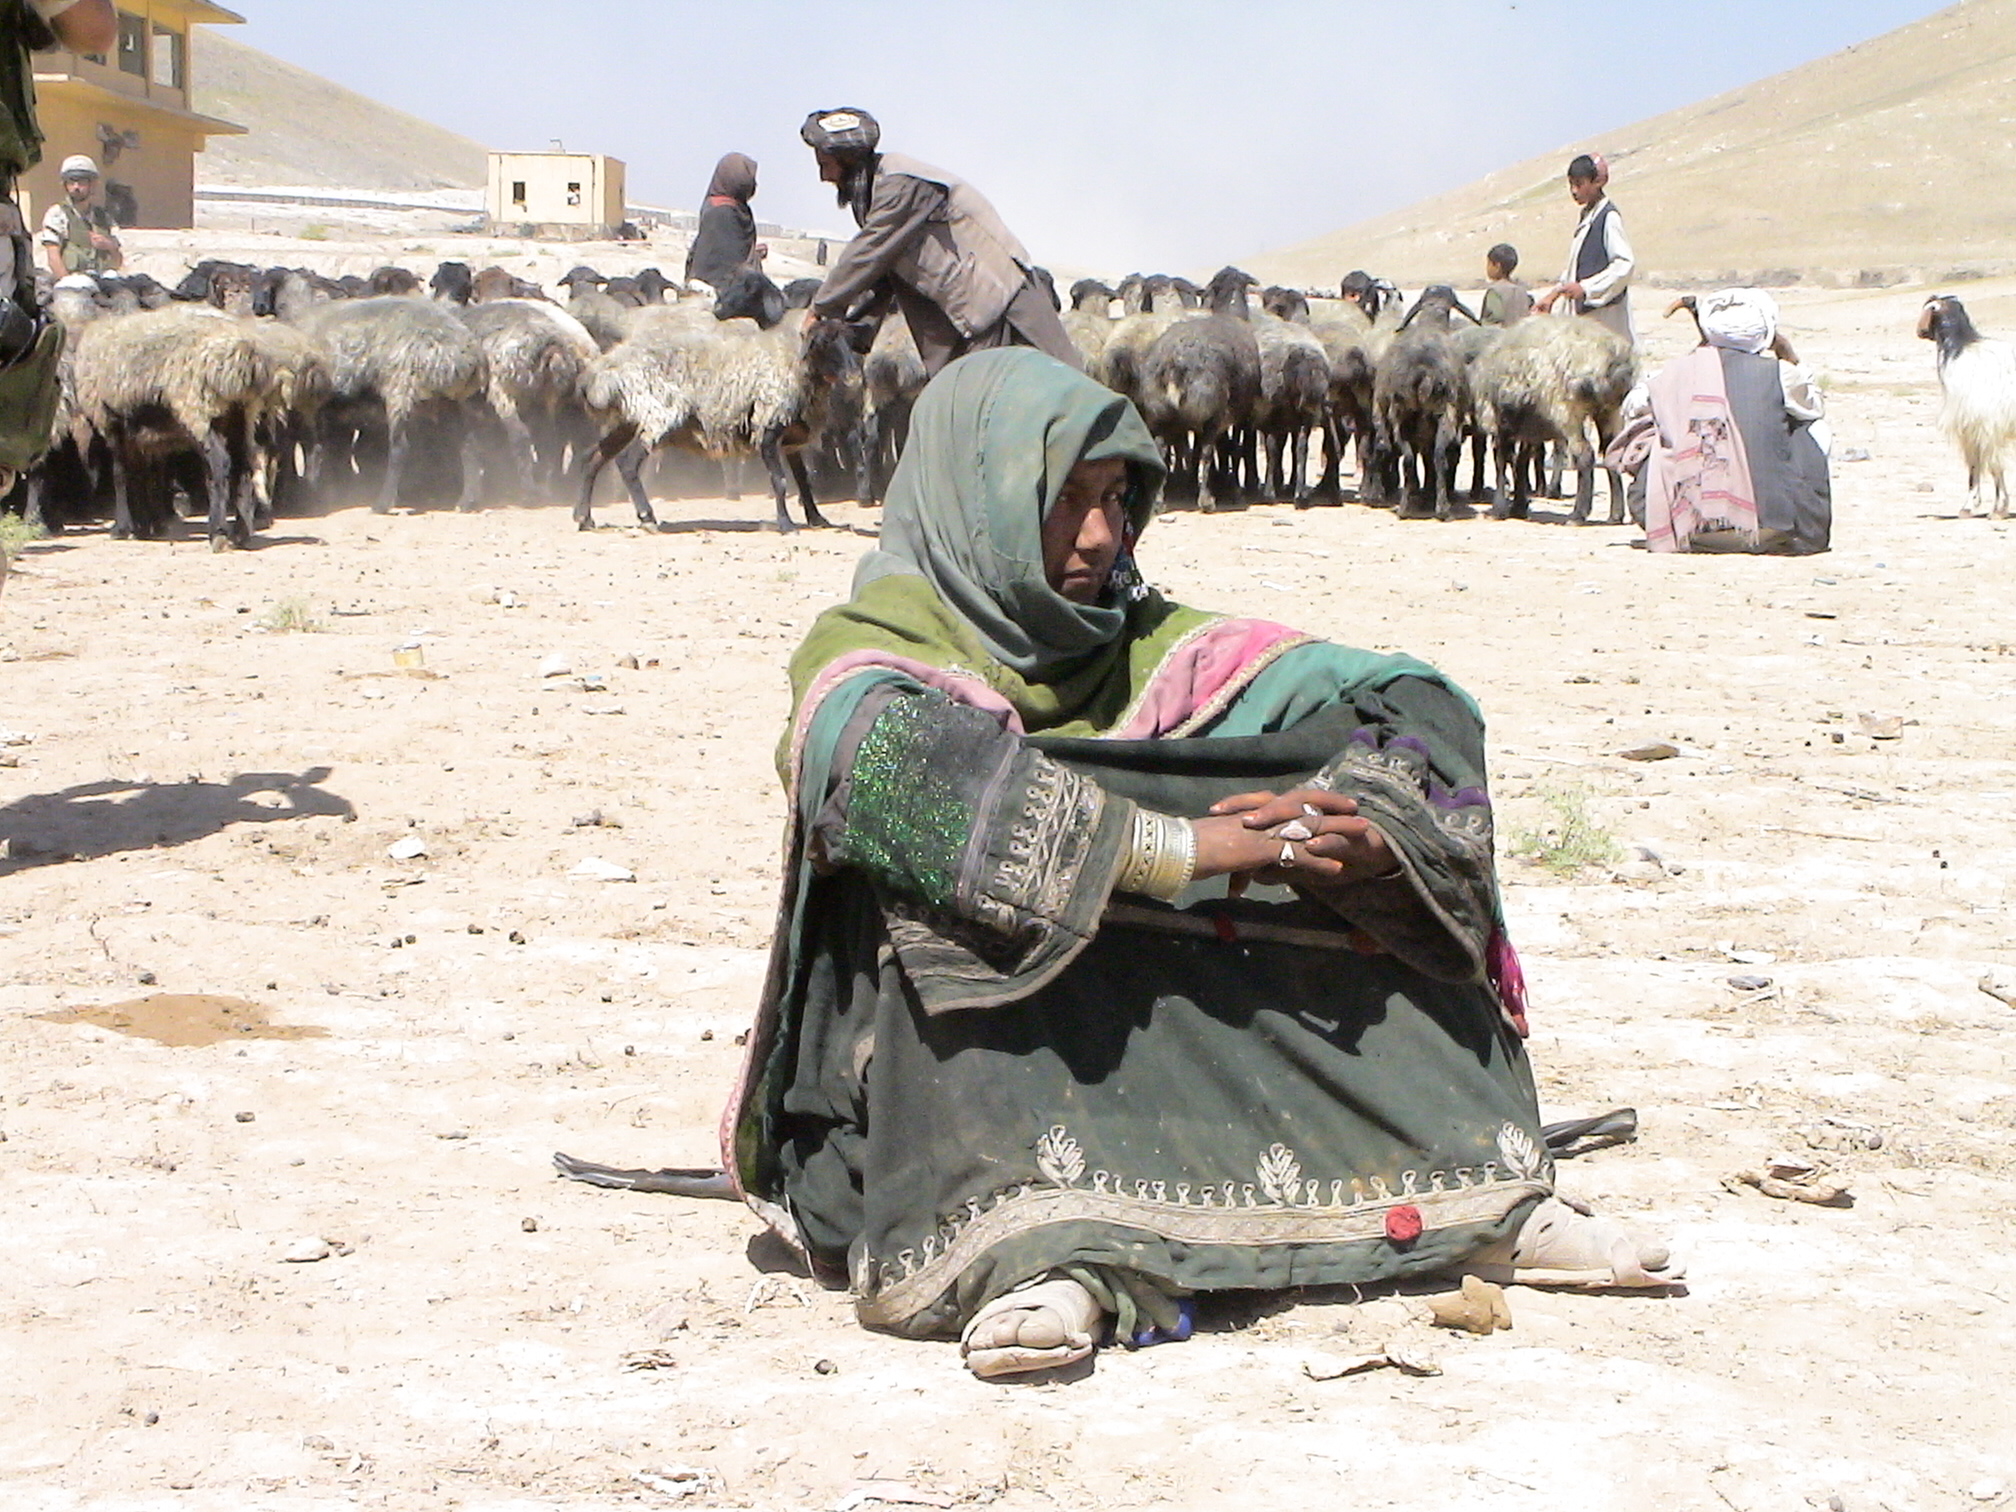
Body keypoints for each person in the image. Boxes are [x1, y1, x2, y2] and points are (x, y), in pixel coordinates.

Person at [722, 347, 1680, 1382]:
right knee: (958, 884)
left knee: (1377, 857)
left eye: (1117, 499)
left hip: (1150, 1004)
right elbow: (876, 767)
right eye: (1065, 501)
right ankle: (1045, 1250)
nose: (1101, 535)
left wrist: (1368, 822)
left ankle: (1479, 1202)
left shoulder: (1157, 651)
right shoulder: (869, 657)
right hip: (986, 1042)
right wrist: (1175, 846)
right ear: (978, 505)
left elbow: (1412, 698)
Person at [799, 107, 1079, 376]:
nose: (824, 176)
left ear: (849, 161)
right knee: (967, 402)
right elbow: (878, 275)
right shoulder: (872, 195)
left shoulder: (900, 186)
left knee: (1068, 391)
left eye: (826, 165)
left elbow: (867, 255)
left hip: (999, 295)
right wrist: (845, 334)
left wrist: (820, 307)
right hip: (965, 312)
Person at [1626, 287, 1831, 555]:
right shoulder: (1780, 374)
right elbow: (1813, 406)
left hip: (1686, 532)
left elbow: (1632, 407)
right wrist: (1787, 353)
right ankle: (1798, 522)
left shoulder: (1667, 376)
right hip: (1768, 531)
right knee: (1813, 428)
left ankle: (1679, 516)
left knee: (1655, 428)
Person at [1535, 153, 1633, 343]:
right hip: (1586, 318)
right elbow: (1574, 269)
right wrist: (1553, 296)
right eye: (1571, 184)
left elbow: (1624, 265)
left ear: (1598, 181)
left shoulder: (1609, 217)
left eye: (1579, 184)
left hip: (1605, 319)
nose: (1573, 191)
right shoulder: (1588, 216)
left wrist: (1587, 288)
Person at [683, 151, 766, 290]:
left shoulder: (736, 208)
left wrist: (753, 254)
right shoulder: (721, 213)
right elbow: (723, 267)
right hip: (719, 291)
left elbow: (733, 252)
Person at [38, 152, 120, 276]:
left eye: (82, 182)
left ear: (92, 184)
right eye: (71, 182)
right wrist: (67, 282)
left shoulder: (103, 217)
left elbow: (117, 263)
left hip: (102, 280)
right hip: (72, 281)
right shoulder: (57, 214)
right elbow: (53, 258)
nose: (76, 187)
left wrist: (110, 246)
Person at [1480, 243, 1531, 327]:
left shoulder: (1495, 291)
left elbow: (1494, 319)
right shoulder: (1521, 290)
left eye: (1489, 263)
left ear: (1497, 266)